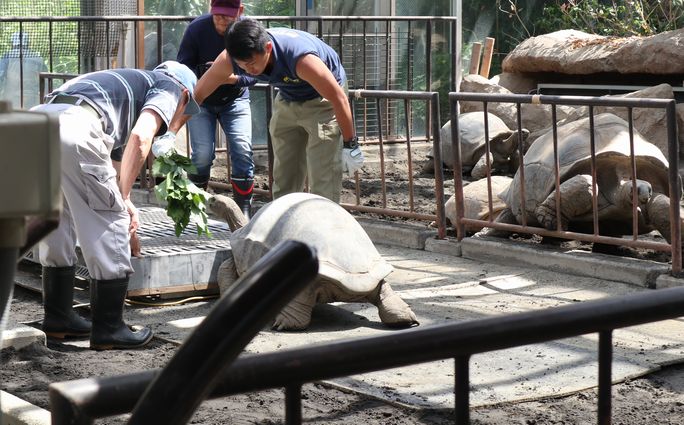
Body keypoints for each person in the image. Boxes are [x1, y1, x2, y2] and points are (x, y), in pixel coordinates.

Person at [31, 61, 200, 350]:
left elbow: (113, 171)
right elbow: (141, 136)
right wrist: (119, 208)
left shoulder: (121, 87)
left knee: (57, 219)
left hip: (35, 126)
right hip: (74, 128)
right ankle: (109, 328)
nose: (178, 116)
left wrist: (127, 205)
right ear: (185, 94)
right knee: (106, 224)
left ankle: (58, 319)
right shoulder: (169, 85)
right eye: (184, 109)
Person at [189, 18, 361, 203]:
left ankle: (323, 226)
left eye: (252, 63)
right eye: (242, 65)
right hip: (288, 96)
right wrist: (170, 134)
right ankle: (283, 223)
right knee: (284, 172)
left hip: (322, 100)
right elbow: (197, 96)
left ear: (268, 48)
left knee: (322, 173)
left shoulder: (301, 59)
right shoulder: (230, 59)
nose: (249, 70)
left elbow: (339, 98)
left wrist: (350, 144)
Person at [177, 0, 256, 217]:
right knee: (202, 154)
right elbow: (182, 67)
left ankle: (243, 209)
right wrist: (205, 74)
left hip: (236, 99)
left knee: (242, 148)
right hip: (203, 101)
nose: (221, 20)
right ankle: (198, 207)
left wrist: (230, 79)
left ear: (239, 12)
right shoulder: (197, 29)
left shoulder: (248, 32)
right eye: (217, 15)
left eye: (227, 16)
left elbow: (255, 74)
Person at [0, 32, 48, 109]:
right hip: (33, 97)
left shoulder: (7, 57)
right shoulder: (38, 58)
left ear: (12, 43)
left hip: (11, 97)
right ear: (27, 44)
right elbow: (46, 80)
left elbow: (1, 77)